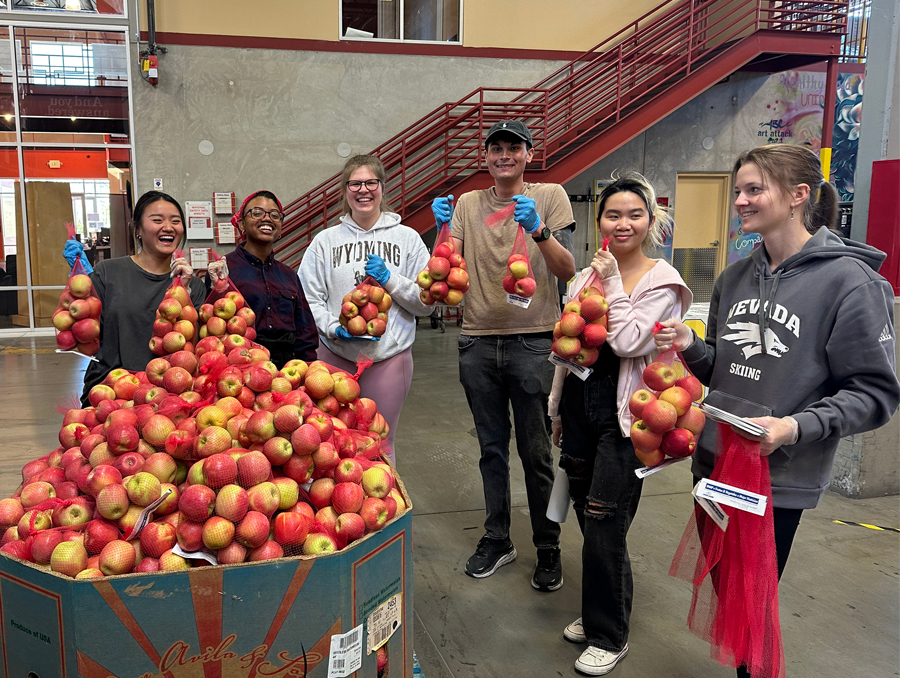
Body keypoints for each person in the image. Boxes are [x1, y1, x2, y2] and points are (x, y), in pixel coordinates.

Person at [654, 145, 899, 678]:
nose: (739, 201)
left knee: (753, 609)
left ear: (797, 196)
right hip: (715, 464)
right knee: (731, 598)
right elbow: (724, 366)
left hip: (776, 477)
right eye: (737, 190)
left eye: (753, 189)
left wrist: (793, 427)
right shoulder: (733, 278)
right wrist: (691, 346)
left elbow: (875, 393)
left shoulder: (852, 285)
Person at [547, 173, 691, 675]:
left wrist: (610, 280)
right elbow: (567, 349)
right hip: (582, 409)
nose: (623, 223)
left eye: (635, 214)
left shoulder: (662, 280)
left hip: (628, 417)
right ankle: (596, 612)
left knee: (606, 520)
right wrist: (558, 408)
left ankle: (610, 634)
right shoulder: (582, 277)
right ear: (600, 220)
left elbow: (630, 342)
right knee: (588, 518)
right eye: (613, 214)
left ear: (651, 221)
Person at [432, 119, 576, 591]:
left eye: (513, 147)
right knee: (491, 449)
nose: (504, 155)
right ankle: (498, 538)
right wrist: (439, 229)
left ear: (528, 154)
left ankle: (547, 545)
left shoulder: (550, 195)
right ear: (486, 156)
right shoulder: (469, 204)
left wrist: (539, 231)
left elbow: (566, 269)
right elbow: (446, 265)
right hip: (476, 339)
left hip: (533, 338)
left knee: (536, 453)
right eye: (496, 148)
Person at [298, 155, 432, 463]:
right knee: (327, 444)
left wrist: (391, 280)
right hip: (334, 355)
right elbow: (309, 300)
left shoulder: (407, 239)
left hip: (388, 359)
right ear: (345, 190)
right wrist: (334, 327)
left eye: (371, 182)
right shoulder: (324, 242)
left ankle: (388, 509)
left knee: (381, 444)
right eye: (355, 183)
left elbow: (426, 305)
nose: (363, 190)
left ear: (383, 187)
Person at [64, 191, 206, 405]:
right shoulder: (108, 273)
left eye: (175, 221)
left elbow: (191, 351)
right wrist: (80, 283)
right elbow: (83, 333)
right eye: (157, 220)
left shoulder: (193, 285)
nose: (168, 227)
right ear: (137, 229)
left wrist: (181, 294)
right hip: (110, 392)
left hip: (168, 397)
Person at [205, 190, 318, 366]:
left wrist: (310, 369)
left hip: (286, 372)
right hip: (238, 368)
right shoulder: (224, 270)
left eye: (275, 215)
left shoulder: (289, 276)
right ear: (241, 224)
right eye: (257, 213)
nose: (267, 219)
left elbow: (305, 333)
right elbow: (210, 328)